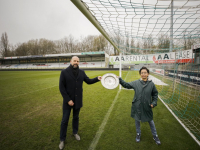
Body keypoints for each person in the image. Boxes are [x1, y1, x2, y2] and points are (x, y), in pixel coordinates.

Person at [59, 56, 102, 150]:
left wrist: (97, 78)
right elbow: (61, 88)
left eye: (78, 61)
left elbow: (88, 81)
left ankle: (75, 133)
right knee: (64, 120)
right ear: (70, 61)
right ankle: (62, 139)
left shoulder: (82, 72)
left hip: (78, 101)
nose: (76, 62)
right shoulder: (64, 72)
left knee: (76, 118)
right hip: (68, 102)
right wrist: (68, 100)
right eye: (74, 61)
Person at [118, 66, 161, 145]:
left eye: (145, 73)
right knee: (137, 120)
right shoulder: (136, 83)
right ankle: (138, 134)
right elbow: (126, 85)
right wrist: (119, 79)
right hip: (137, 106)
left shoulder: (151, 84)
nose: (143, 74)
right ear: (140, 74)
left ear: (148, 74)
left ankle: (155, 136)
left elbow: (155, 94)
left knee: (151, 121)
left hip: (147, 107)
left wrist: (153, 103)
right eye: (142, 73)